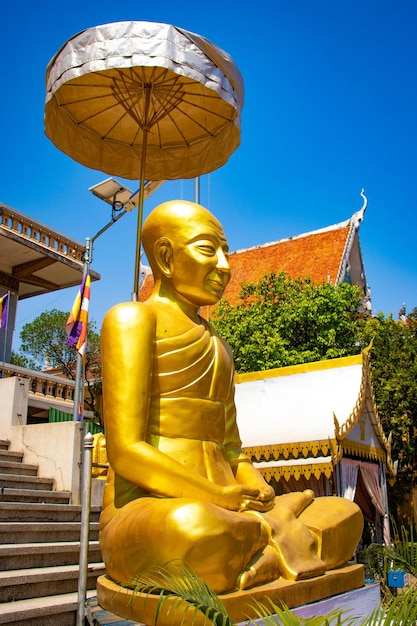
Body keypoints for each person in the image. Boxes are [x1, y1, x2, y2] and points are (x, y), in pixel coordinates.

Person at [99, 200, 363, 594]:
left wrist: (259, 490)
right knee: (193, 527)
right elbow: (126, 451)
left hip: (231, 504)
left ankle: (260, 551)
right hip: (152, 504)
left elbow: (232, 449)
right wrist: (218, 496)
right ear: (166, 258)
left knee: (345, 513)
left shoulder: (219, 345)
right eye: (209, 250)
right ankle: (267, 545)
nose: (225, 265)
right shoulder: (133, 320)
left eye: (225, 251)